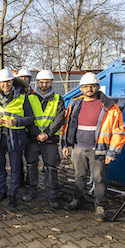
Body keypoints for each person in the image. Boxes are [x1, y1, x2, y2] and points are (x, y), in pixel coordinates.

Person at [62, 72, 125, 222]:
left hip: (99, 150)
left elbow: (118, 130)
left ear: (98, 87)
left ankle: (100, 207)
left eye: (92, 86)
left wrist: (112, 152)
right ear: (81, 88)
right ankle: (78, 200)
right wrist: (66, 144)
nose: (89, 89)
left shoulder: (110, 106)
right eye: (85, 86)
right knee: (79, 176)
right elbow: (68, 125)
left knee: (99, 179)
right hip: (78, 148)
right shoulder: (75, 104)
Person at [0, 69, 34, 207]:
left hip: (15, 137)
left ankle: (13, 194)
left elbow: (31, 118)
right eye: (3, 82)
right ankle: (2, 191)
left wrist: (16, 121)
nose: (6, 84)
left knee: (15, 168)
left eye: (8, 81)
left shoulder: (22, 97)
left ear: (12, 81)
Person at [23, 70, 64, 208]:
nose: (44, 84)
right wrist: (36, 133)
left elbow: (59, 119)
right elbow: (28, 117)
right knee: (31, 166)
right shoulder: (29, 98)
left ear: (51, 82)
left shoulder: (58, 98)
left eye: (47, 82)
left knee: (51, 167)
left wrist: (47, 133)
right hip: (33, 138)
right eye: (41, 82)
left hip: (50, 139)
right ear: (37, 83)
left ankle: (52, 195)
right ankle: (31, 191)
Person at [16, 68, 33, 187]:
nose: (24, 80)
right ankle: (20, 179)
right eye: (22, 77)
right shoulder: (16, 93)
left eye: (26, 77)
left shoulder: (33, 94)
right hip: (18, 130)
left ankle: (30, 180)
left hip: (30, 130)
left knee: (30, 157)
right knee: (18, 158)